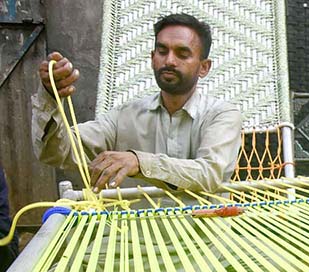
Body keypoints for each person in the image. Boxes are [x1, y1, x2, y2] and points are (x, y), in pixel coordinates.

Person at [31, 12, 242, 193]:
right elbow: (57, 152)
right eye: (162, 51)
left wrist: (139, 162)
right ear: (152, 58)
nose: (169, 60)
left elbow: (210, 173)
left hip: (204, 237)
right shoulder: (122, 117)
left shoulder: (222, 114)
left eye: (182, 54)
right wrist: (50, 96)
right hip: (132, 239)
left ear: (204, 67)